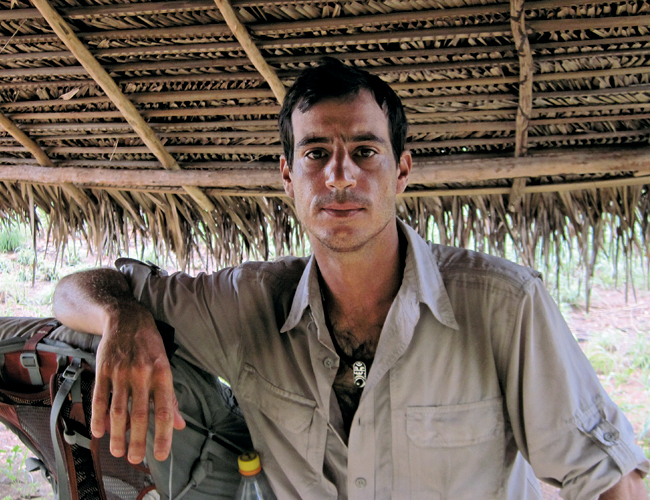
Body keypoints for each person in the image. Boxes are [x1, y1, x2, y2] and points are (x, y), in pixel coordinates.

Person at [53, 58, 649, 499]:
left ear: (402, 169)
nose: (340, 176)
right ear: (288, 177)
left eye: (365, 150)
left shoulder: (503, 305)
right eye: (316, 154)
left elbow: (607, 479)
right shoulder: (246, 305)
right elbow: (74, 289)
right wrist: (121, 316)